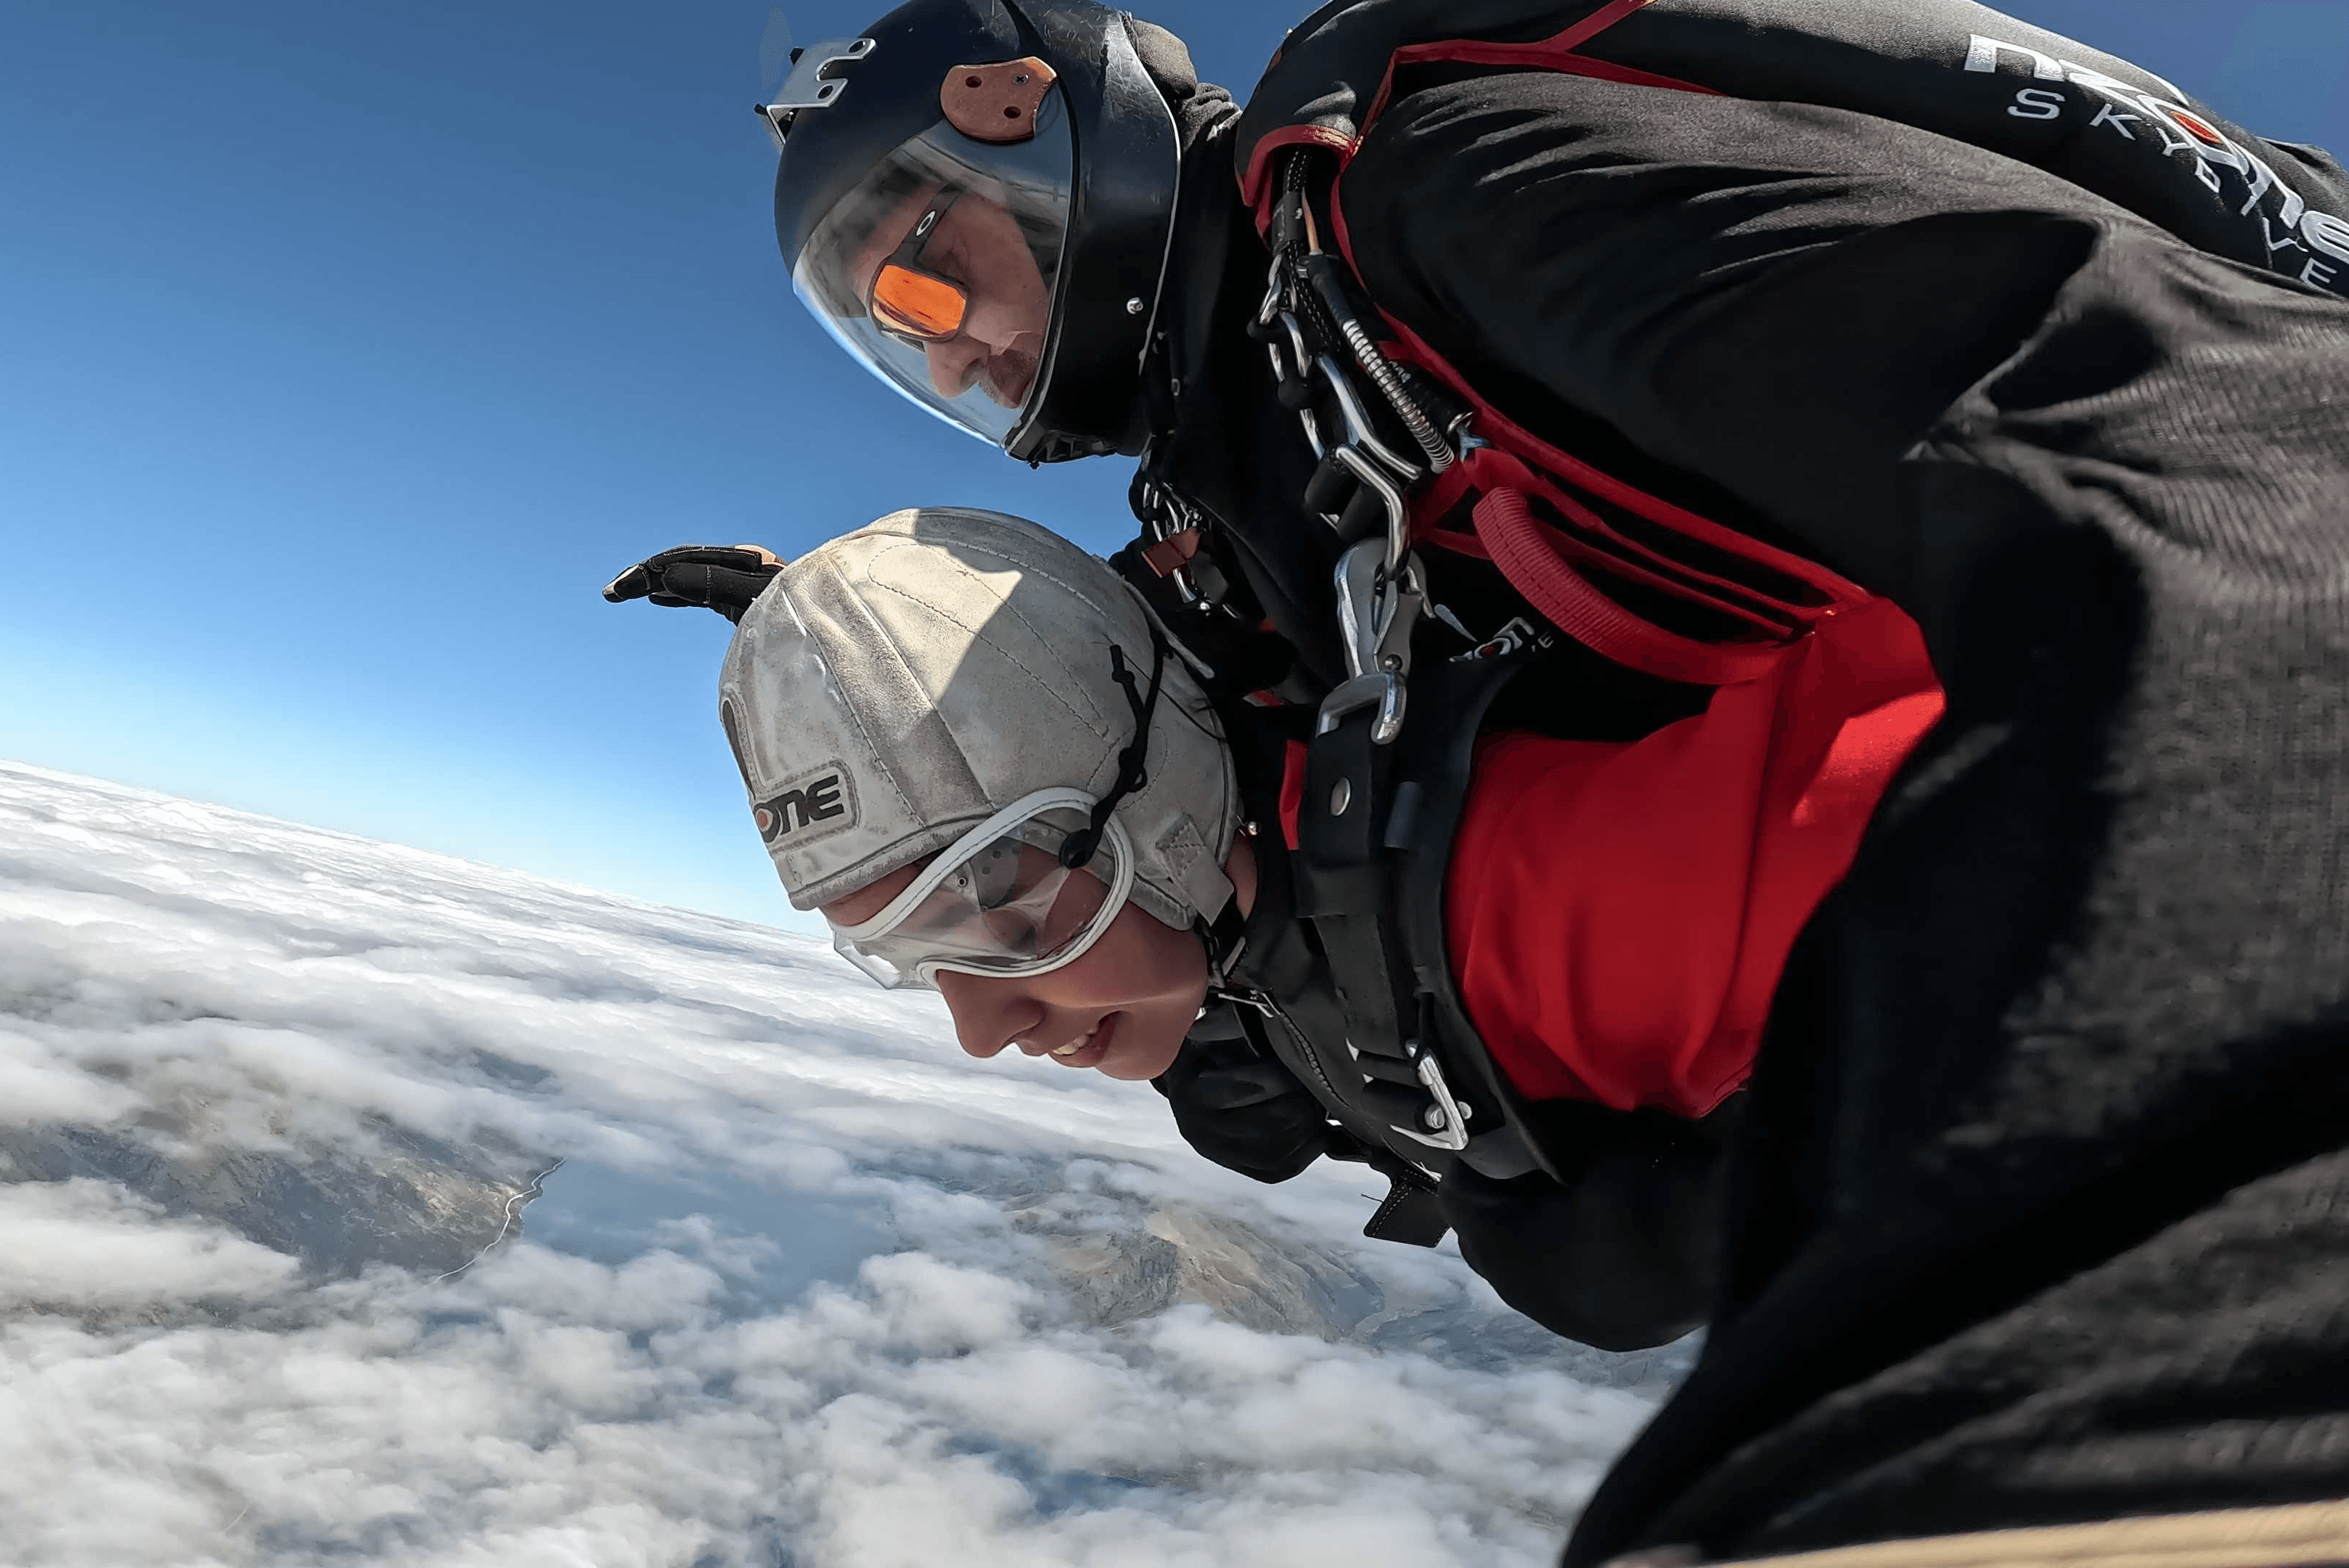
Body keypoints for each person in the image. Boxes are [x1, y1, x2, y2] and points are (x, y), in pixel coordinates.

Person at [680, 0, 2349, 1559]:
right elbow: (1254, 815)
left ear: (1038, 126)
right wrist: (873, 677)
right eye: (889, 340)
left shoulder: (1453, 195)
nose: (951, 358)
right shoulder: (1266, 452)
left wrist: (2161, 1348)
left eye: (925, 280)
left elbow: (2245, 456)